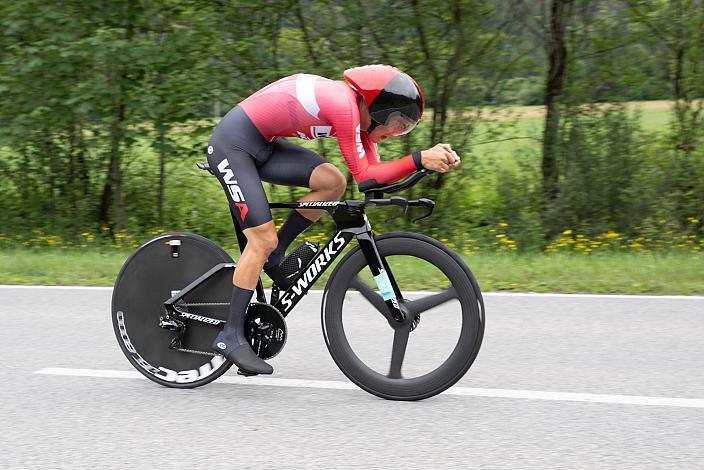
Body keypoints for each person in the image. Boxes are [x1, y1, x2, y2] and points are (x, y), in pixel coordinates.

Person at [206, 64, 461, 375]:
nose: (396, 132)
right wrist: (419, 159)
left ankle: (276, 256)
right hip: (232, 145)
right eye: (397, 122)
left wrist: (425, 166)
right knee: (261, 238)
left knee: (332, 183)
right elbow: (367, 177)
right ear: (376, 106)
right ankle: (230, 336)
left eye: (404, 129)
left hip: (263, 144)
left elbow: (374, 184)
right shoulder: (344, 106)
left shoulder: (362, 122)